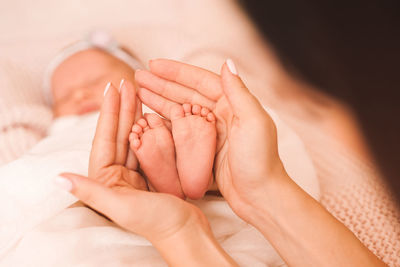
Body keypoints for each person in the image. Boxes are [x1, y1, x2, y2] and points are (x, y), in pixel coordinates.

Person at [57, 59, 386, 266]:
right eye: (63, 97)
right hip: (119, 149)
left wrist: (177, 232)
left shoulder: (153, 115)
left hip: (136, 144)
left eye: (98, 80)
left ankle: (178, 168)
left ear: (135, 78)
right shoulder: (55, 131)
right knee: (149, 135)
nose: (80, 95)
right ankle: (172, 175)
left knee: (155, 129)